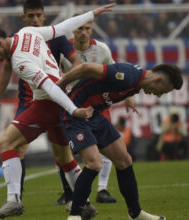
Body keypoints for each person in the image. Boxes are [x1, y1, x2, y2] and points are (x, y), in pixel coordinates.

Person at [0, 3, 115, 219]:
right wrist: (91, 14)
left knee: (6, 143)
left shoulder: (20, 61)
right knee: (64, 157)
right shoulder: (27, 32)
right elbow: (62, 28)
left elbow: (49, 86)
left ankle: (13, 200)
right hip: (59, 99)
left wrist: (73, 109)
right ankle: (84, 203)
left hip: (49, 103)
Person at [56, 62, 183, 220]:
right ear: (158, 80)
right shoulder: (128, 77)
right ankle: (75, 215)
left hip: (93, 114)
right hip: (76, 113)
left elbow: (115, 80)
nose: (158, 95)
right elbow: (85, 68)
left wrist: (128, 97)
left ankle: (136, 214)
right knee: (94, 164)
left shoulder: (136, 82)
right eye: (162, 91)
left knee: (124, 160)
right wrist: (61, 83)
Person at [0, 0, 83, 207]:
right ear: (24, 18)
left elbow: (77, 63)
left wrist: (67, 84)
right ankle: (17, 197)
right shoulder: (17, 39)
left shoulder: (57, 38)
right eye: (31, 16)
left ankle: (72, 195)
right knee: (17, 147)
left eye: (38, 16)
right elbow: (6, 69)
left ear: (44, 17)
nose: (35, 20)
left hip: (54, 98)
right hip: (28, 101)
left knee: (62, 153)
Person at [61, 14, 138, 204]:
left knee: (109, 142)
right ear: (73, 29)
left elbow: (115, 73)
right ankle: (70, 191)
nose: (83, 32)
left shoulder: (101, 49)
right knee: (64, 150)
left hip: (97, 102)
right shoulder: (64, 50)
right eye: (80, 28)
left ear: (92, 30)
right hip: (71, 104)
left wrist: (128, 97)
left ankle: (102, 189)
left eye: (87, 28)